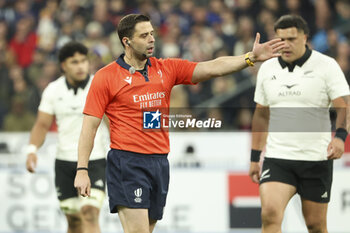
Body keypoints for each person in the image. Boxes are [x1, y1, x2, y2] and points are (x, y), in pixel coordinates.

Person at [74, 14, 285, 233]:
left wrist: (250, 57)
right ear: (126, 41)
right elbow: (89, 127)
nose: (151, 39)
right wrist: (82, 169)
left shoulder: (166, 68)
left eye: (152, 34)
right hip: (127, 162)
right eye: (144, 35)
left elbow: (211, 67)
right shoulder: (105, 77)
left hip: (159, 162)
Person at [249, 15, 350, 233]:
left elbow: (343, 106)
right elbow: (261, 115)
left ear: (305, 37)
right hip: (278, 159)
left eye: (292, 39)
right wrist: (254, 157)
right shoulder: (267, 69)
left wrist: (340, 138)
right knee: (270, 214)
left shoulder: (326, 66)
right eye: (281, 39)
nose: (285, 44)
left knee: (315, 225)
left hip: (315, 159)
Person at [26, 41, 108, 233]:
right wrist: (32, 150)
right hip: (64, 162)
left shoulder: (100, 86)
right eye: (74, 62)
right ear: (63, 66)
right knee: (73, 220)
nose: (81, 66)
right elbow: (42, 124)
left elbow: (112, 123)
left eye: (83, 61)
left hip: (94, 160)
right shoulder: (53, 90)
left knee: (89, 212)